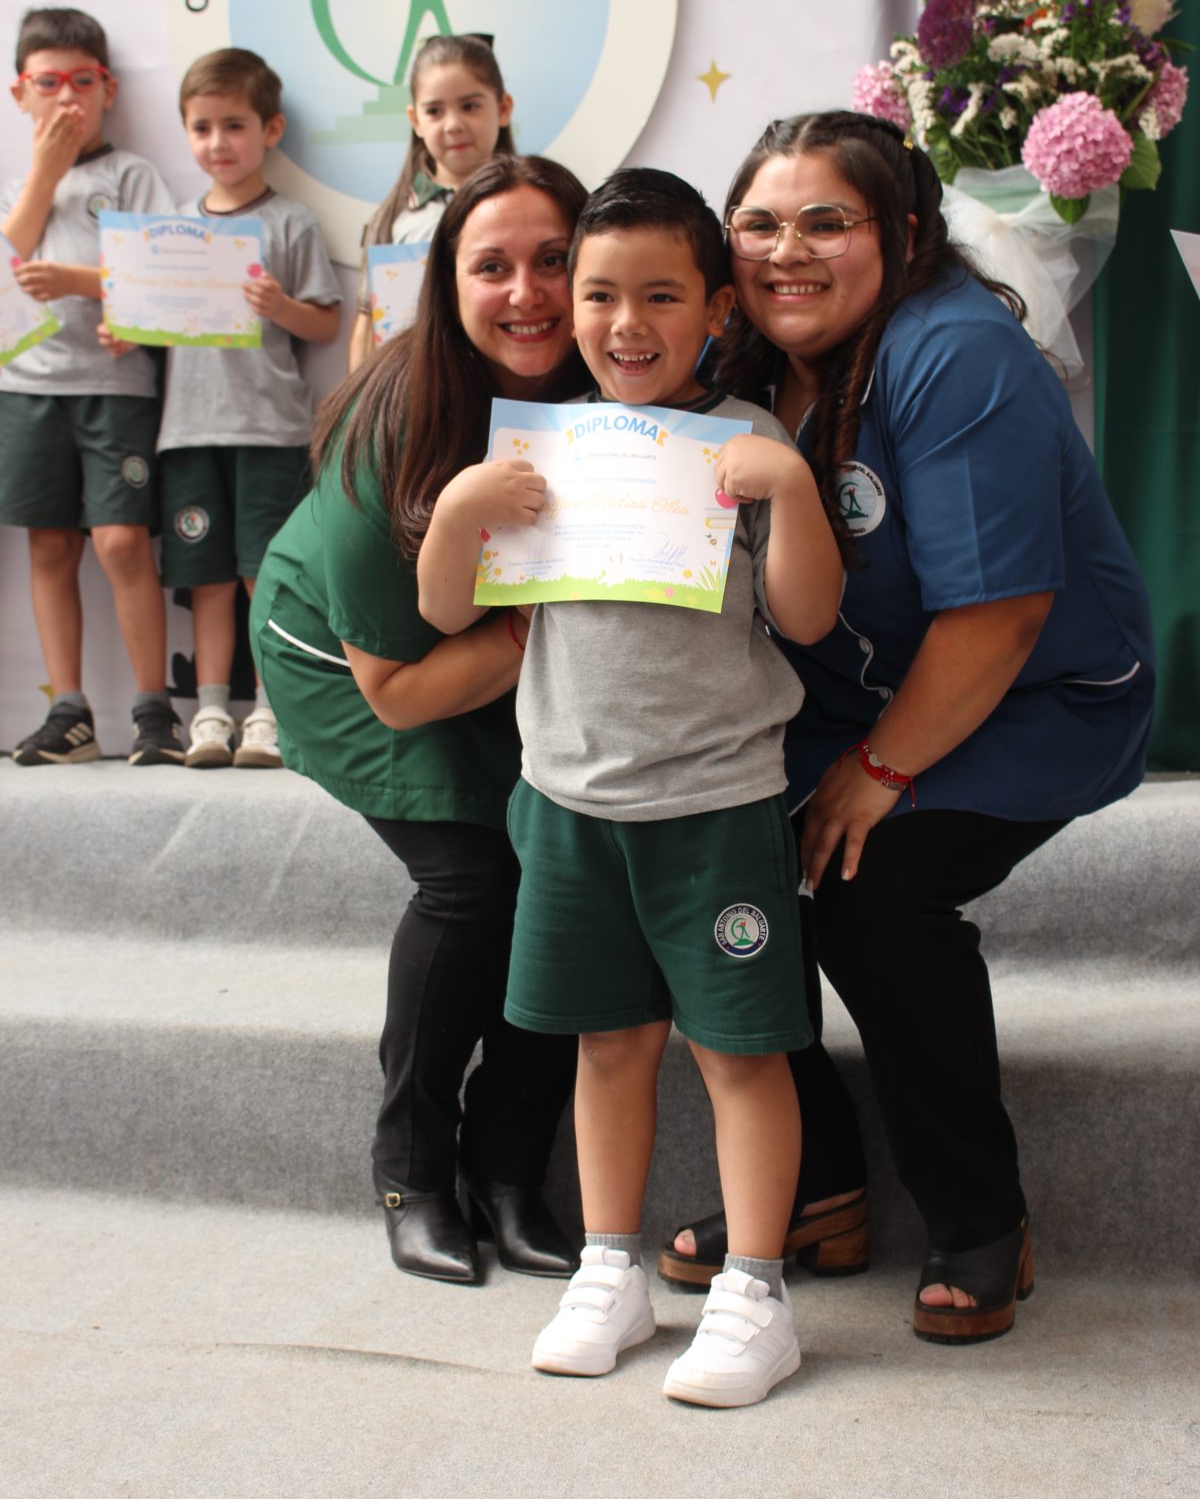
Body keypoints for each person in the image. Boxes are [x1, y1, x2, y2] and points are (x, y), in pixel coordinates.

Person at [664, 110, 1155, 1344]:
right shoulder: (740, 358)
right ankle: (815, 1185)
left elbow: (998, 619)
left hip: (1031, 697)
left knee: (871, 893)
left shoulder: (957, 353)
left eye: (829, 221)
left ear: (906, 234)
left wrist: (877, 774)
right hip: (845, 701)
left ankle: (980, 1217)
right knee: (685, 859)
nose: (790, 250)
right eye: (761, 223)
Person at [418, 169, 844, 1407]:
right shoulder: (537, 445)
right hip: (568, 806)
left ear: (718, 305)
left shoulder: (750, 443)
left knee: (738, 1052)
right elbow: (448, 609)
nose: (624, 323)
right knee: (609, 1047)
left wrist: (797, 492)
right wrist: (458, 511)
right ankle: (613, 1268)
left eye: (662, 295)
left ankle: (756, 1291)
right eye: (599, 293)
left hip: (715, 809)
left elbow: (810, 619)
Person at [251, 153, 588, 1285]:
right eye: (493, 267)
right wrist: (546, 628)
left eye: (554, 260)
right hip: (356, 665)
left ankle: (509, 1173)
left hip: (506, 644)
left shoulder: (615, 380)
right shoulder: (386, 425)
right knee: (476, 879)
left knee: (565, 869)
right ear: (447, 284)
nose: (529, 292)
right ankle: (414, 1172)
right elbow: (397, 690)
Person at [1, 7, 183, 767]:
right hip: (30, 387)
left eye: (83, 81)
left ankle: (153, 712)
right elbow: (13, 255)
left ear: (108, 87)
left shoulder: (131, 174)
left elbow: (173, 274)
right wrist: (45, 169)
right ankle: (69, 711)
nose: (67, 97)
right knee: (50, 545)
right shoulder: (21, 182)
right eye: (49, 83)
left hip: (117, 389)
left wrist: (117, 305)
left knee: (120, 541)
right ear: (20, 93)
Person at [154, 48, 341, 769]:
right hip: (188, 429)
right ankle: (208, 710)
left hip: (270, 427)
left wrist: (280, 305)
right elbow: (154, 324)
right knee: (204, 573)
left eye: (234, 125)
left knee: (265, 571)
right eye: (201, 127)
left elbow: (324, 324)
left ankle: (269, 709)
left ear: (271, 128)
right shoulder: (169, 229)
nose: (217, 143)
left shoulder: (291, 221)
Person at [347, 34, 513, 369]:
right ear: (415, 120)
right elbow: (367, 324)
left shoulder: (526, 206)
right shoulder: (395, 216)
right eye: (435, 111)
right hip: (417, 390)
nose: (453, 125)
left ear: (503, 108)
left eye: (470, 106)